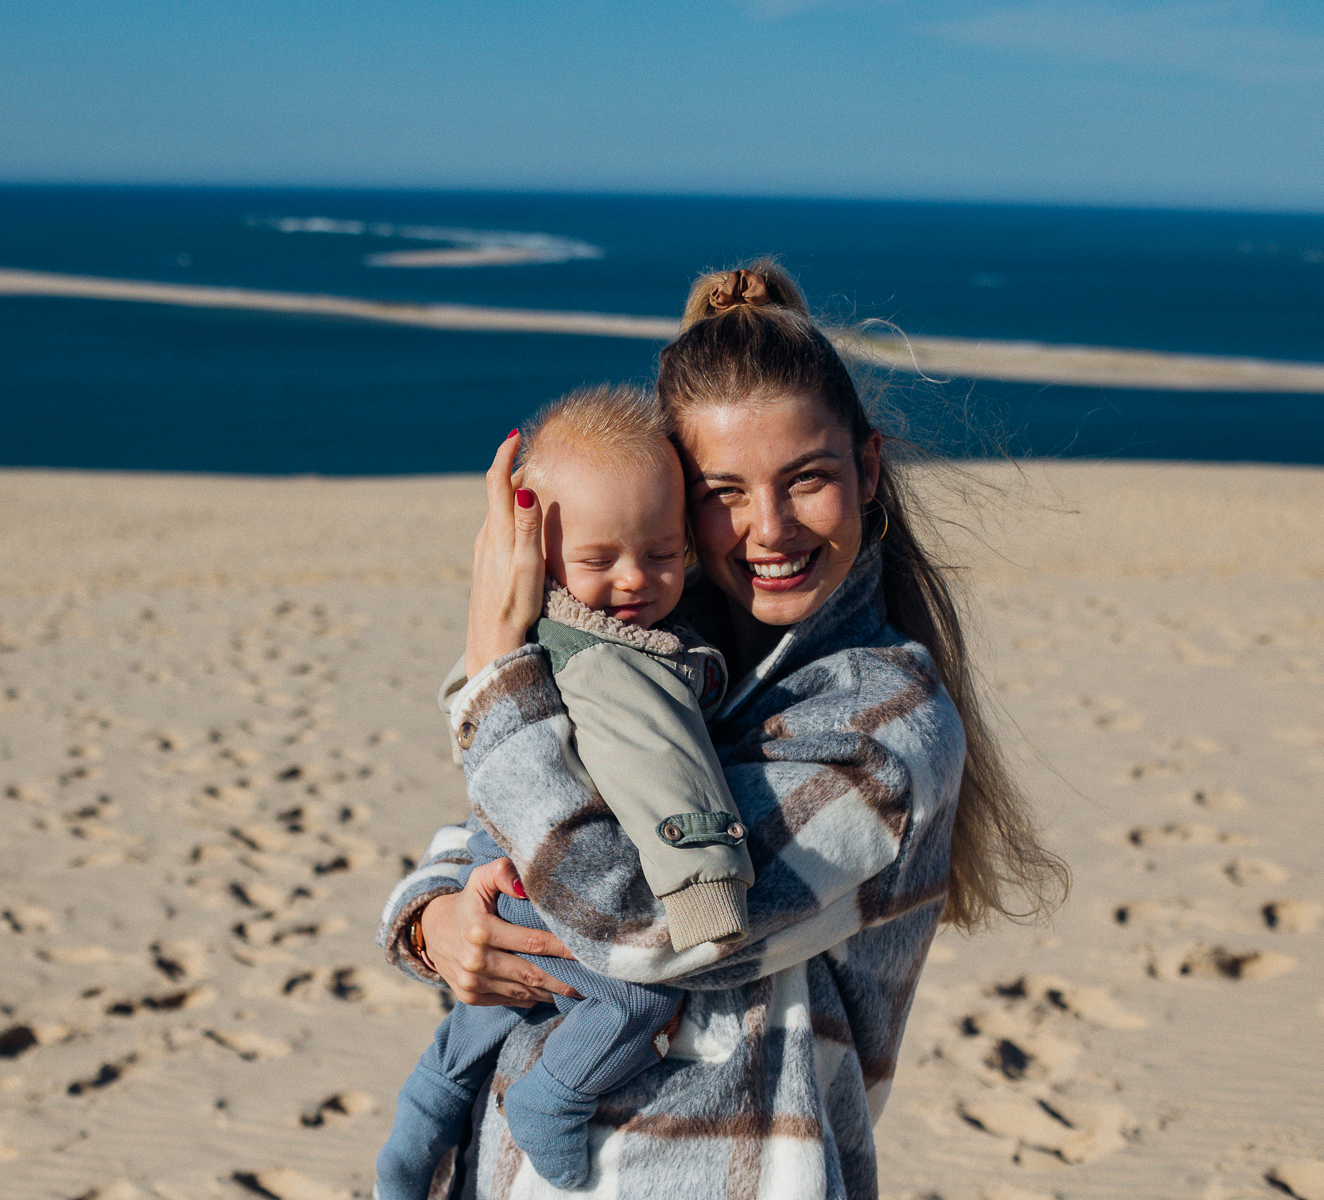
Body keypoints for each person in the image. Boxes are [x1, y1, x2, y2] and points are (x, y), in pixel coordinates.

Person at [377, 261, 1065, 1199]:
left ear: (867, 470)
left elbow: (646, 923)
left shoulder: (886, 724)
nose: (768, 528)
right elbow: (496, 834)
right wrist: (437, 923)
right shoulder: (651, 656)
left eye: (807, 479)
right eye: (723, 491)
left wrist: (497, 678)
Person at [377, 385, 754, 1197]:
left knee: (467, 1038)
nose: (636, 581)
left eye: (664, 553)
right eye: (598, 560)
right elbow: (669, 774)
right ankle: (553, 1097)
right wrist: (709, 891)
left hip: (505, 860)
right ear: (537, 554)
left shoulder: (544, 635)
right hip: (547, 881)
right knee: (630, 1003)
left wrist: (439, 907)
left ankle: (406, 1155)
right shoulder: (616, 662)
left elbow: (471, 707)